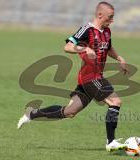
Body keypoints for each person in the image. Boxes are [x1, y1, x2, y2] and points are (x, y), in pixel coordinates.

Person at [17, 1, 129, 152]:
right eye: (110, 17)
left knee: (69, 112)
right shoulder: (87, 30)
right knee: (115, 101)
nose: (112, 20)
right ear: (100, 15)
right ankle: (111, 142)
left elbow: (108, 47)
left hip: (93, 78)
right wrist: (84, 48)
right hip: (90, 78)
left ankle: (32, 114)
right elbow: (67, 46)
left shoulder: (107, 31)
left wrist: (120, 58)